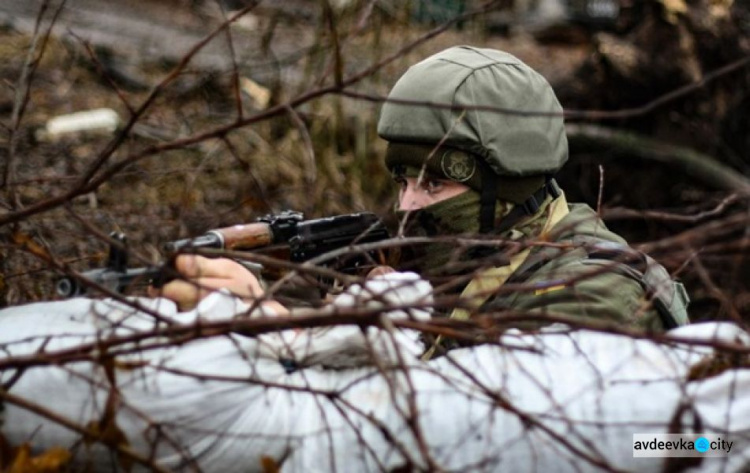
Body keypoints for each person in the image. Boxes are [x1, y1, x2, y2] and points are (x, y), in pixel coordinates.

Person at [154, 46, 690, 344]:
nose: (408, 204)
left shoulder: (595, 294)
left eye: (434, 182)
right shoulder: (473, 251)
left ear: (505, 186)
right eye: (403, 180)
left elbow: (478, 432)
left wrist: (288, 332)